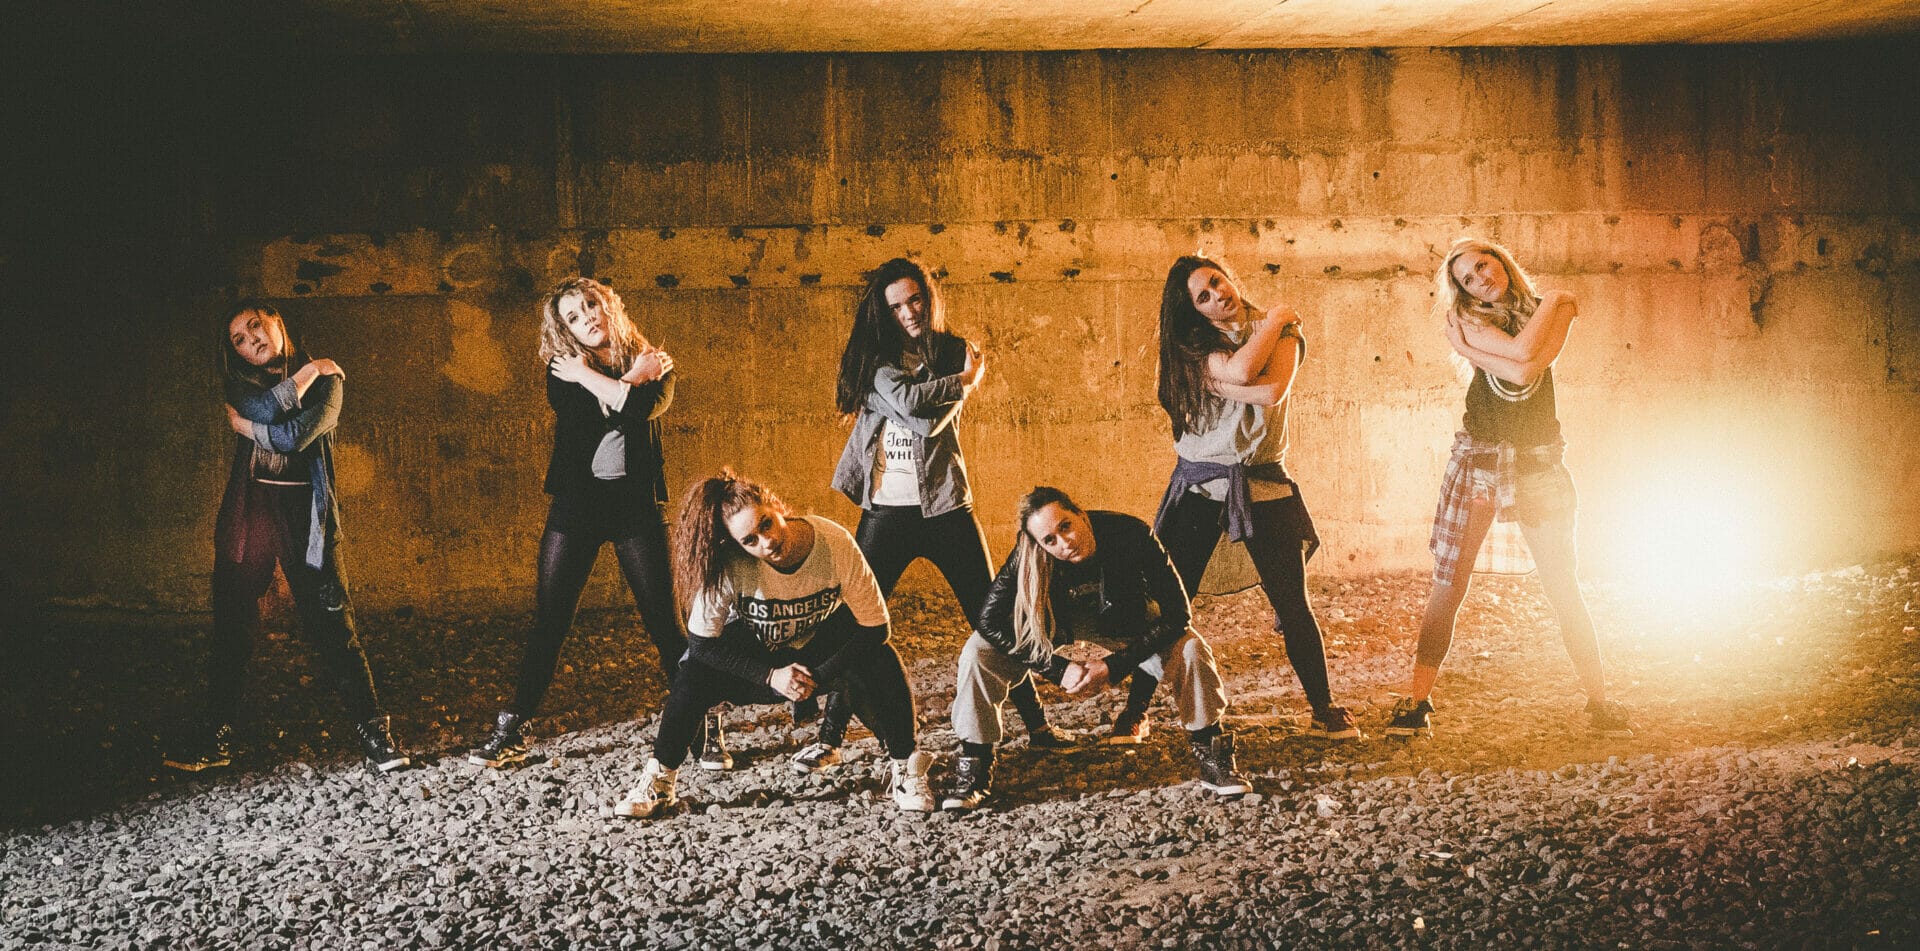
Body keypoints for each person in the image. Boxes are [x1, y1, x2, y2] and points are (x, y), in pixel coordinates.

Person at [813, 257, 1069, 773]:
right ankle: (829, 737)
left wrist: (954, 384)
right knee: (858, 619)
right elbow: (915, 414)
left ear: (929, 299)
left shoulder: (953, 350)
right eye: (897, 305)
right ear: (883, 312)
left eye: (916, 301)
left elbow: (929, 423)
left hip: (946, 504)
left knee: (992, 617)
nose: (909, 312)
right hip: (886, 509)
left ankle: (1037, 725)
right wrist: (965, 385)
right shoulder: (875, 358)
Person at [468, 278, 720, 769]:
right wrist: (621, 382)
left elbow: (644, 409)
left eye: (591, 306)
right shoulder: (563, 369)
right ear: (564, 329)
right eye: (573, 316)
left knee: (664, 625)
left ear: (609, 306)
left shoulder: (654, 360)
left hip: (636, 508)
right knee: (550, 621)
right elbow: (587, 416)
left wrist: (619, 383)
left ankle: (703, 722)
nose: (587, 318)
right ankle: (513, 728)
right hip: (576, 507)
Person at [1386, 238, 1632, 739]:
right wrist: (1470, 344)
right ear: (1461, 291)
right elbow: (1521, 360)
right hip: (1481, 460)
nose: (1480, 280)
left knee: (1563, 586)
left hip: (1540, 463)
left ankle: (1600, 702)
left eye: (1483, 266)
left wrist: (1472, 351)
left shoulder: (1550, 308)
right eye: (1468, 280)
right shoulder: (1474, 320)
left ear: (1501, 261)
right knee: (1450, 582)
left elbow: (1524, 366)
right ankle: (1416, 702)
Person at [163, 302, 408, 774]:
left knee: (335, 627)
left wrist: (249, 427)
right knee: (232, 629)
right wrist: (303, 377)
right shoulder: (244, 383)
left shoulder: (329, 380)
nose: (251, 339)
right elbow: (263, 406)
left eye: (256, 325)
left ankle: (375, 733)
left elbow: (296, 435)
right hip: (249, 516)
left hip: (305, 518)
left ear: (277, 322)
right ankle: (216, 737)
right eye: (238, 338)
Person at [614, 471, 935, 817]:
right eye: (750, 540)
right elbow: (702, 645)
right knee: (693, 673)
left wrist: (815, 676)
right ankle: (660, 780)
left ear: (776, 505)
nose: (765, 543)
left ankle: (906, 766)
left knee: (881, 658)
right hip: (762, 659)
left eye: (766, 524)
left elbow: (876, 628)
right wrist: (771, 677)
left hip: (816, 655)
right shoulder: (729, 565)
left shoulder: (833, 541)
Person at [1152, 255, 1360, 742]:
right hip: (1201, 486)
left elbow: (1270, 393)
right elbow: (1249, 374)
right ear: (1193, 312)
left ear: (1230, 278)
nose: (1217, 296)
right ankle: (1134, 714)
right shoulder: (1192, 343)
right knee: (1167, 603)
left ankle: (1323, 707)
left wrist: (1227, 371)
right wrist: (1274, 322)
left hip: (1263, 484)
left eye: (1217, 283)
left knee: (1293, 604)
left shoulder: (1280, 330)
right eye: (1202, 297)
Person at [945, 487, 1247, 810]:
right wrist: (1056, 668)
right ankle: (974, 765)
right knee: (978, 651)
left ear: (1081, 514)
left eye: (1065, 526)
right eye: (1050, 540)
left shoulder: (1130, 533)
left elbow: (1179, 614)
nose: (1064, 542)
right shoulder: (1027, 554)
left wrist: (1115, 666)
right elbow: (988, 621)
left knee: (1191, 649)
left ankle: (1212, 752)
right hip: (1056, 625)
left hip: (1124, 622)